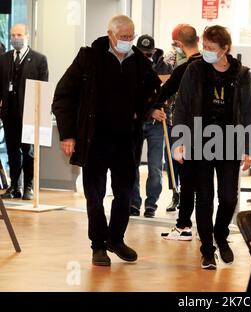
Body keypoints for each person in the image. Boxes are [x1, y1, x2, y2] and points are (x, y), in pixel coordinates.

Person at [52, 15, 161, 266]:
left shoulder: (138, 62)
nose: (128, 42)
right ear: (110, 35)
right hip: (95, 140)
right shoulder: (89, 58)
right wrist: (67, 135)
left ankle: (116, 239)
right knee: (95, 194)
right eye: (124, 37)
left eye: (131, 37)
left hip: (125, 140)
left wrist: (143, 109)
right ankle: (98, 245)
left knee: (124, 194)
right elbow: (63, 96)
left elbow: (155, 88)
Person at [173, 25, 251, 269]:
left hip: (230, 141)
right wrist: (179, 141)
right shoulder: (195, 70)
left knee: (229, 198)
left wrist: (249, 147)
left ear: (225, 49)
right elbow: (182, 107)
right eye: (204, 47)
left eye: (211, 48)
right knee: (205, 198)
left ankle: (221, 234)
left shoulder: (241, 75)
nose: (205, 52)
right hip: (199, 141)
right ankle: (207, 249)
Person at [154, 24, 202, 239]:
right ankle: (206, 229)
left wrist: (151, 106)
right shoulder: (216, 67)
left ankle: (184, 226)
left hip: (188, 131)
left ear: (179, 45)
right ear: (198, 39)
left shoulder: (185, 69)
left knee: (189, 180)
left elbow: (163, 92)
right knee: (206, 182)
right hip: (215, 132)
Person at [0, 24, 48, 200]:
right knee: (12, 151)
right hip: (9, 113)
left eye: (19, 34)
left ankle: (29, 186)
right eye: (12, 35)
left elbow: (43, 87)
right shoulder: (4, 59)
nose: (15, 38)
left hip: (28, 112)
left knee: (28, 151)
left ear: (27, 36)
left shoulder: (39, 59)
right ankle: (15, 186)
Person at [129, 34, 168, 218]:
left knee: (155, 167)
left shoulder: (164, 67)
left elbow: (168, 94)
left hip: (157, 126)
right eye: (142, 53)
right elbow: (131, 97)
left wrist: (162, 110)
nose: (146, 57)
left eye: (148, 53)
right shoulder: (129, 65)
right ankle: (134, 203)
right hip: (136, 123)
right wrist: (149, 110)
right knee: (132, 165)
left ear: (154, 51)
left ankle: (151, 204)